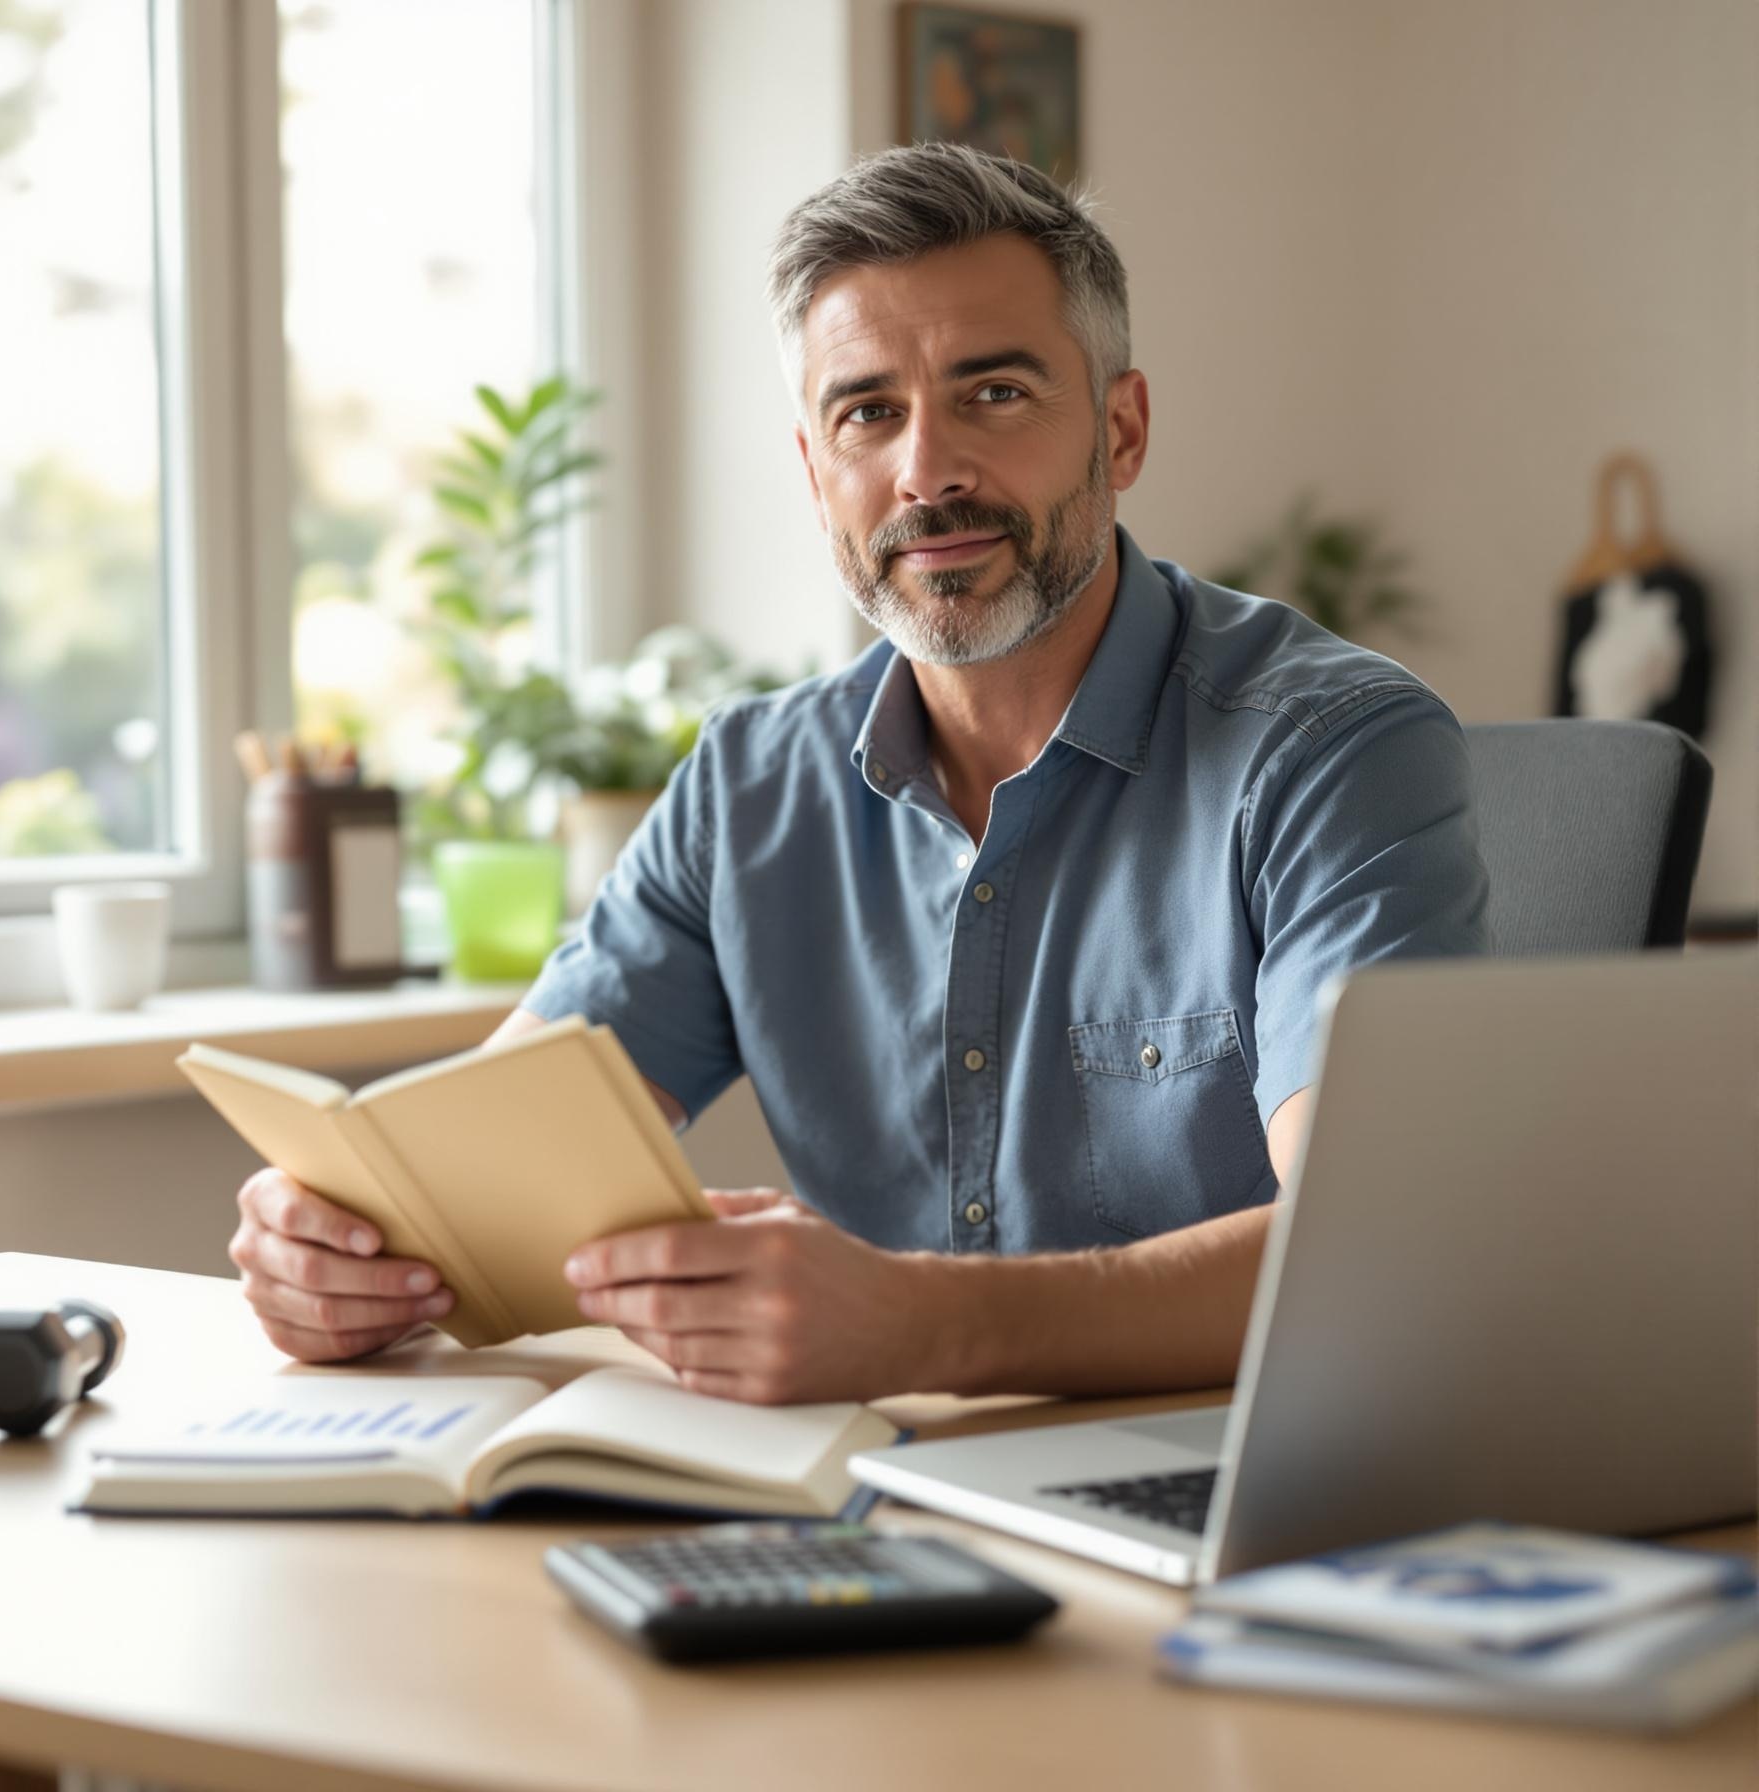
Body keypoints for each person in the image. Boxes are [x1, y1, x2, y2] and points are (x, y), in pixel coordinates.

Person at [229, 143, 1489, 1403]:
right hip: (874, 1497)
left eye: (992, 394)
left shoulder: (1329, 751)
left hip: (1235, 1485)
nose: (925, 471)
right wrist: (342, 1247)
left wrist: (930, 1325)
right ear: (813, 467)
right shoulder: (745, 791)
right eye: (867, 411)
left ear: (1121, 428)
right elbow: (479, 1177)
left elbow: (1367, 1254)